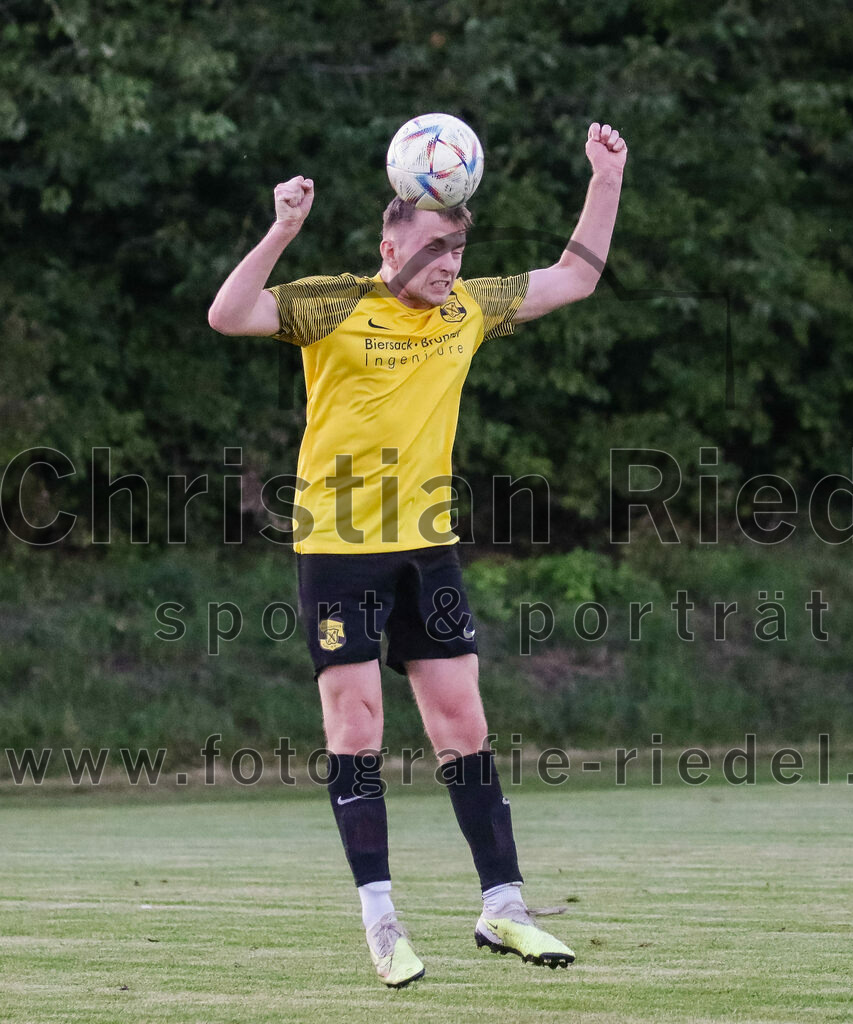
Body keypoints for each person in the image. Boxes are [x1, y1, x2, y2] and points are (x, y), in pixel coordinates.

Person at [208, 121, 627, 987]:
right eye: (434, 247)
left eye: (457, 248)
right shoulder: (333, 302)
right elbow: (228, 314)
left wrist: (605, 177)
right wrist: (282, 230)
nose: (446, 264)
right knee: (357, 727)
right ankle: (382, 920)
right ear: (388, 244)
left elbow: (576, 277)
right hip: (340, 550)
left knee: (462, 727)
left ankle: (503, 908)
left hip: (426, 551)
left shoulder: (468, 308)